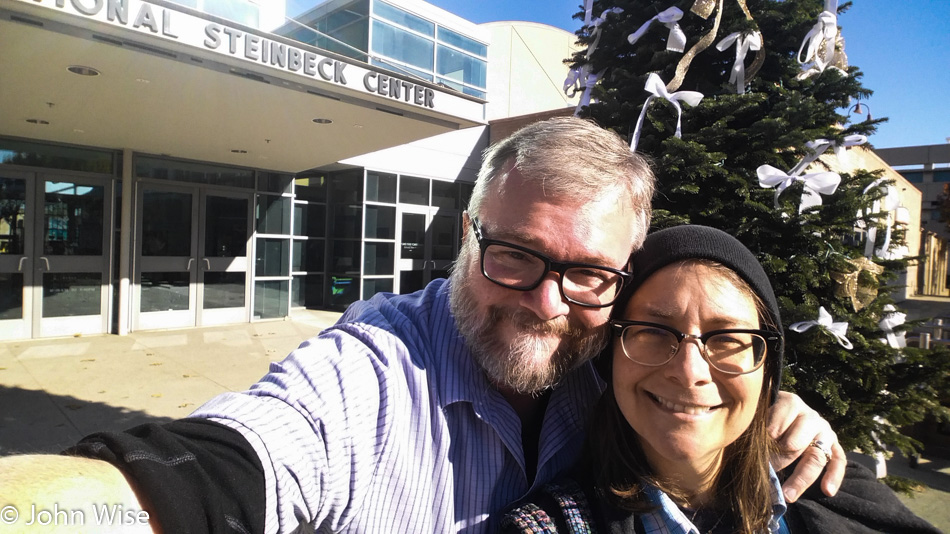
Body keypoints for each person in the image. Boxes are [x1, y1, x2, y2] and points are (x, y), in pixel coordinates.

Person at [0, 118, 844, 534]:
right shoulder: (369, 372)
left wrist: (767, 408)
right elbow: (233, 462)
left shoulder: (615, 367)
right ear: (465, 235)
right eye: (515, 255)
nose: (547, 305)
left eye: (587, 274)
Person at [500, 225, 940, 533]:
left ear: (766, 364)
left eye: (727, 338)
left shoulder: (841, 494)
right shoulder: (548, 526)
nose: (690, 372)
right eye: (654, 331)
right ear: (612, 353)